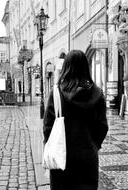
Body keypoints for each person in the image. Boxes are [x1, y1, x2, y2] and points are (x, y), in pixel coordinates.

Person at [43, 50, 108, 190]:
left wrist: (48, 146)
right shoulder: (97, 93)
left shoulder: (57, 93)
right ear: (86, 67)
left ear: (66, 67)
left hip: (62, 156)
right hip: (87, 156)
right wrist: (93, 145)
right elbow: (102, 126)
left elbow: (48, 127)